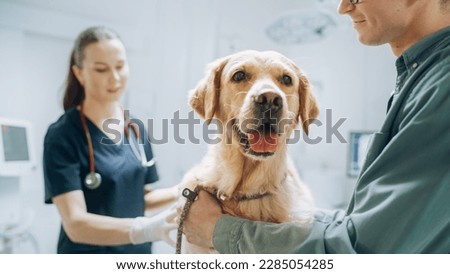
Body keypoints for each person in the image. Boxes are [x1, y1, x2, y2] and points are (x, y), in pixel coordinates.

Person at [182, 0, 450, 253]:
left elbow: (365, 249)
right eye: (240, 77)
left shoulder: (441, 87)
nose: (343, 8)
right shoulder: (420, 77)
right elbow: (367, 223)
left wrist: (220, 230)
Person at [43, 26, 178, 254]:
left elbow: (140, 196)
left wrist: (186, 189)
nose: (114, 78)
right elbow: (75, 224)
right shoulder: (63, 135)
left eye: (120, 66)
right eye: (101, 69)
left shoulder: (135, 129)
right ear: (79, 73)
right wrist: (144, 229)